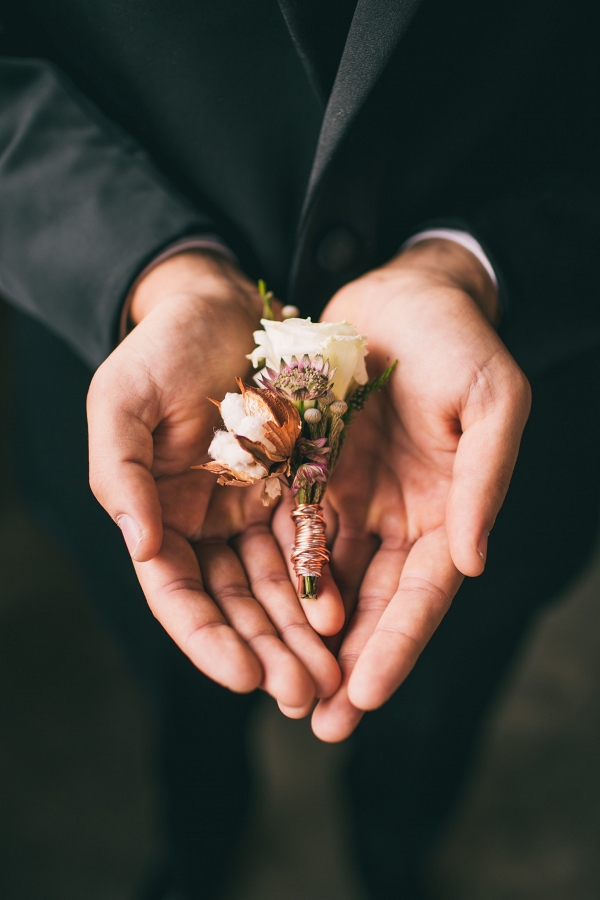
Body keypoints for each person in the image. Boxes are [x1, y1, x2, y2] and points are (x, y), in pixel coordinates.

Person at [1, 1, 599, 897]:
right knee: (179, 679)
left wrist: (471, 266)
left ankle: (393, 859)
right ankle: (201, 841)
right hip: (148, 404)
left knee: (438, 704)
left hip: (504, 423)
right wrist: (156, 268)